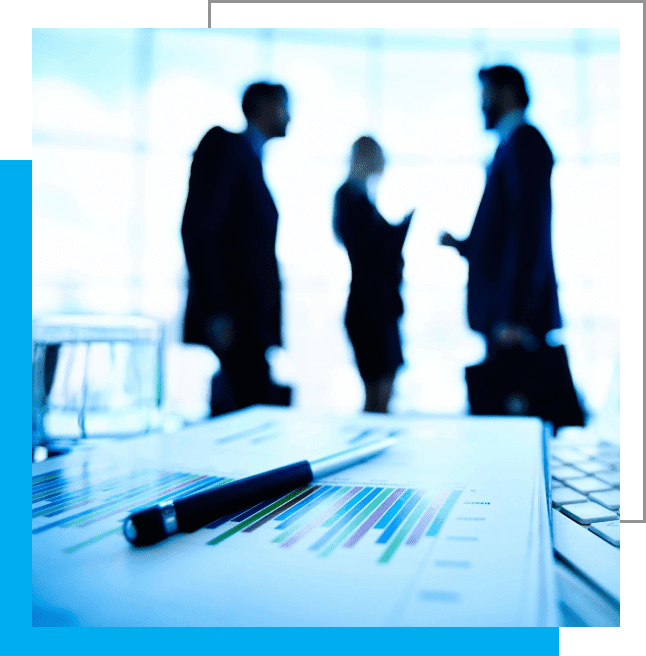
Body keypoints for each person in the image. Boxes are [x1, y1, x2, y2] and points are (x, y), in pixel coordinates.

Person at [181, 82, 291, 416]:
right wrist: (217, 310)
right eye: (284, 105)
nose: (290, 115)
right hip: (235, 319)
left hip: (248, 323)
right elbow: (199, 229)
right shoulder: (226, 147)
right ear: (265, 106)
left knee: (247, 411)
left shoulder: (251, 158)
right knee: (242, 416)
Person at [440, 64, 561, 359]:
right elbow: (507, 231)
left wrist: (515, 312)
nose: (482, 105)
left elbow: (529, 231)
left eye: (486, 95)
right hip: (506, 312)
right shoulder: (510, 145)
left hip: (515, 319)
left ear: (506, 93)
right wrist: (465, 245)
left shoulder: (524, 142)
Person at [333, 136, 414, 413]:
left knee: (381, 387)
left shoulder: (357, 197)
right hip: (370, 309)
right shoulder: (349, 197)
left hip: (376, 306)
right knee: (377, 391)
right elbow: (369, 248)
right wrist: (399, 232)